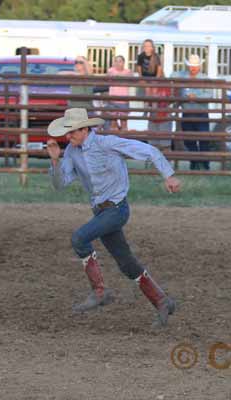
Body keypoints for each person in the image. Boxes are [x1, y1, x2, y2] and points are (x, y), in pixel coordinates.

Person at [45, 108, 181, 327]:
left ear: (85, 129)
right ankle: (162, 301)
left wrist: (169, 175)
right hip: (102, 212)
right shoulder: (71, 151)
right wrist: (54, 161)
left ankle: (100, 292)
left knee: (79, 238)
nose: (68, 137)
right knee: (126, 263)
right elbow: (60, 185)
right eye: (67, 133)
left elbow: (149, 151)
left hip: (117, 209)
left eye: (72, 132)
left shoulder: (107, 143)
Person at [171, 54, 213, 170]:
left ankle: (204, 164)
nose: (193, 68)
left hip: (201, 113)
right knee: (189, 140)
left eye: (195, 66)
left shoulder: (205, 79)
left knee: (204, 139)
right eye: (191, 66)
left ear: (199, 66)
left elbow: (210, 94)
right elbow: (172, 76)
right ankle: (194, 162)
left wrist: (196, 96)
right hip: (187, 112)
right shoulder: (182, 76)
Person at [107, 55, 134, 131]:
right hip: (113, 99)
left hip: (124, 100)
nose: (118, 63)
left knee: (124, 123)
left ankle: (124, 140)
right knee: (113, 123)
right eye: (116, 61)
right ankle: (114, 141)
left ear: (124, 62)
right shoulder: (111, 70)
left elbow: (131, 77)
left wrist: (119, 76)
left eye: (120, 61)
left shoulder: (128, 71)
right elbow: (110, 77)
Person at [146, 75, 174, 150]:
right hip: (153, 118)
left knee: (165, 144)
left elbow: (171, 100)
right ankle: (155, 160)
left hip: (164, 117)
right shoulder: (149, 86)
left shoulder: (166, 84)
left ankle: (166, 160)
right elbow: (147, 102)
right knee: (153, 144)